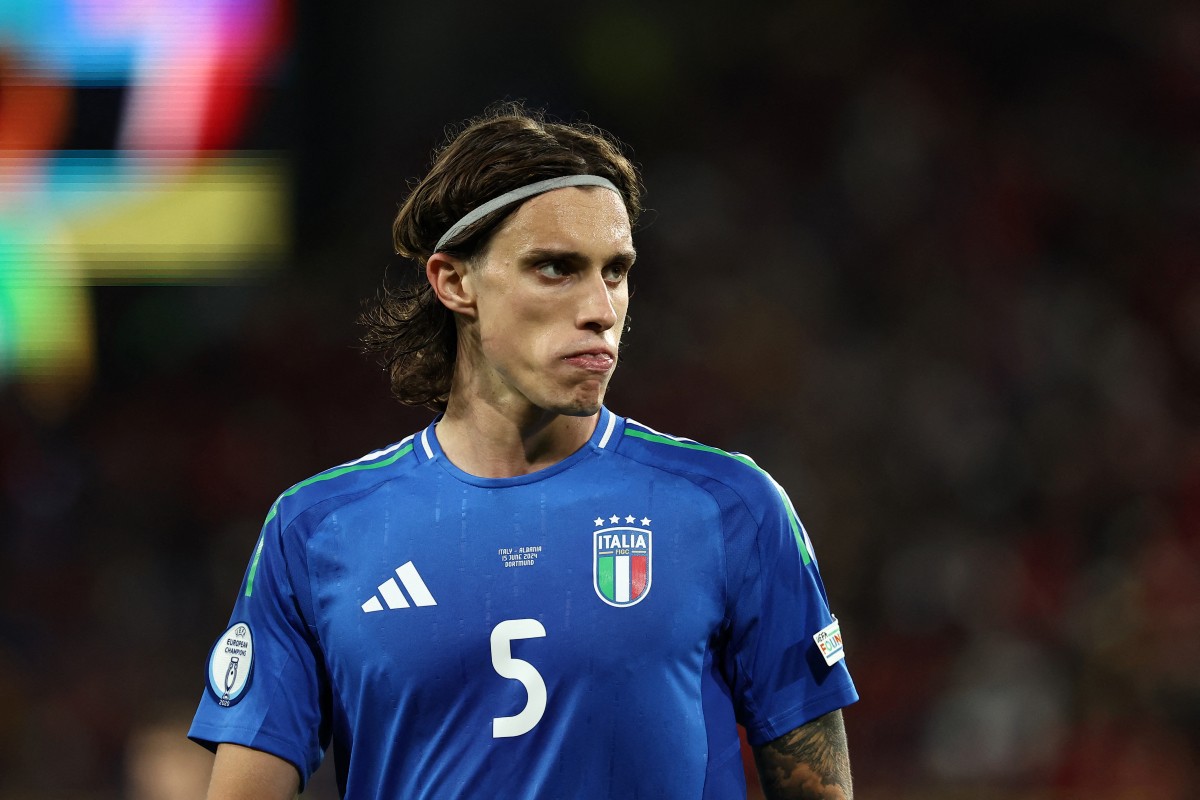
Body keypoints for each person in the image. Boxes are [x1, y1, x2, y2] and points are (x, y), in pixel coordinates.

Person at [188, 103, 859, 799]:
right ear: (455, 282)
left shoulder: (731, 508)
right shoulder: (317, 531)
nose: (601, 308)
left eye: (616, 271)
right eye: (556, 268)